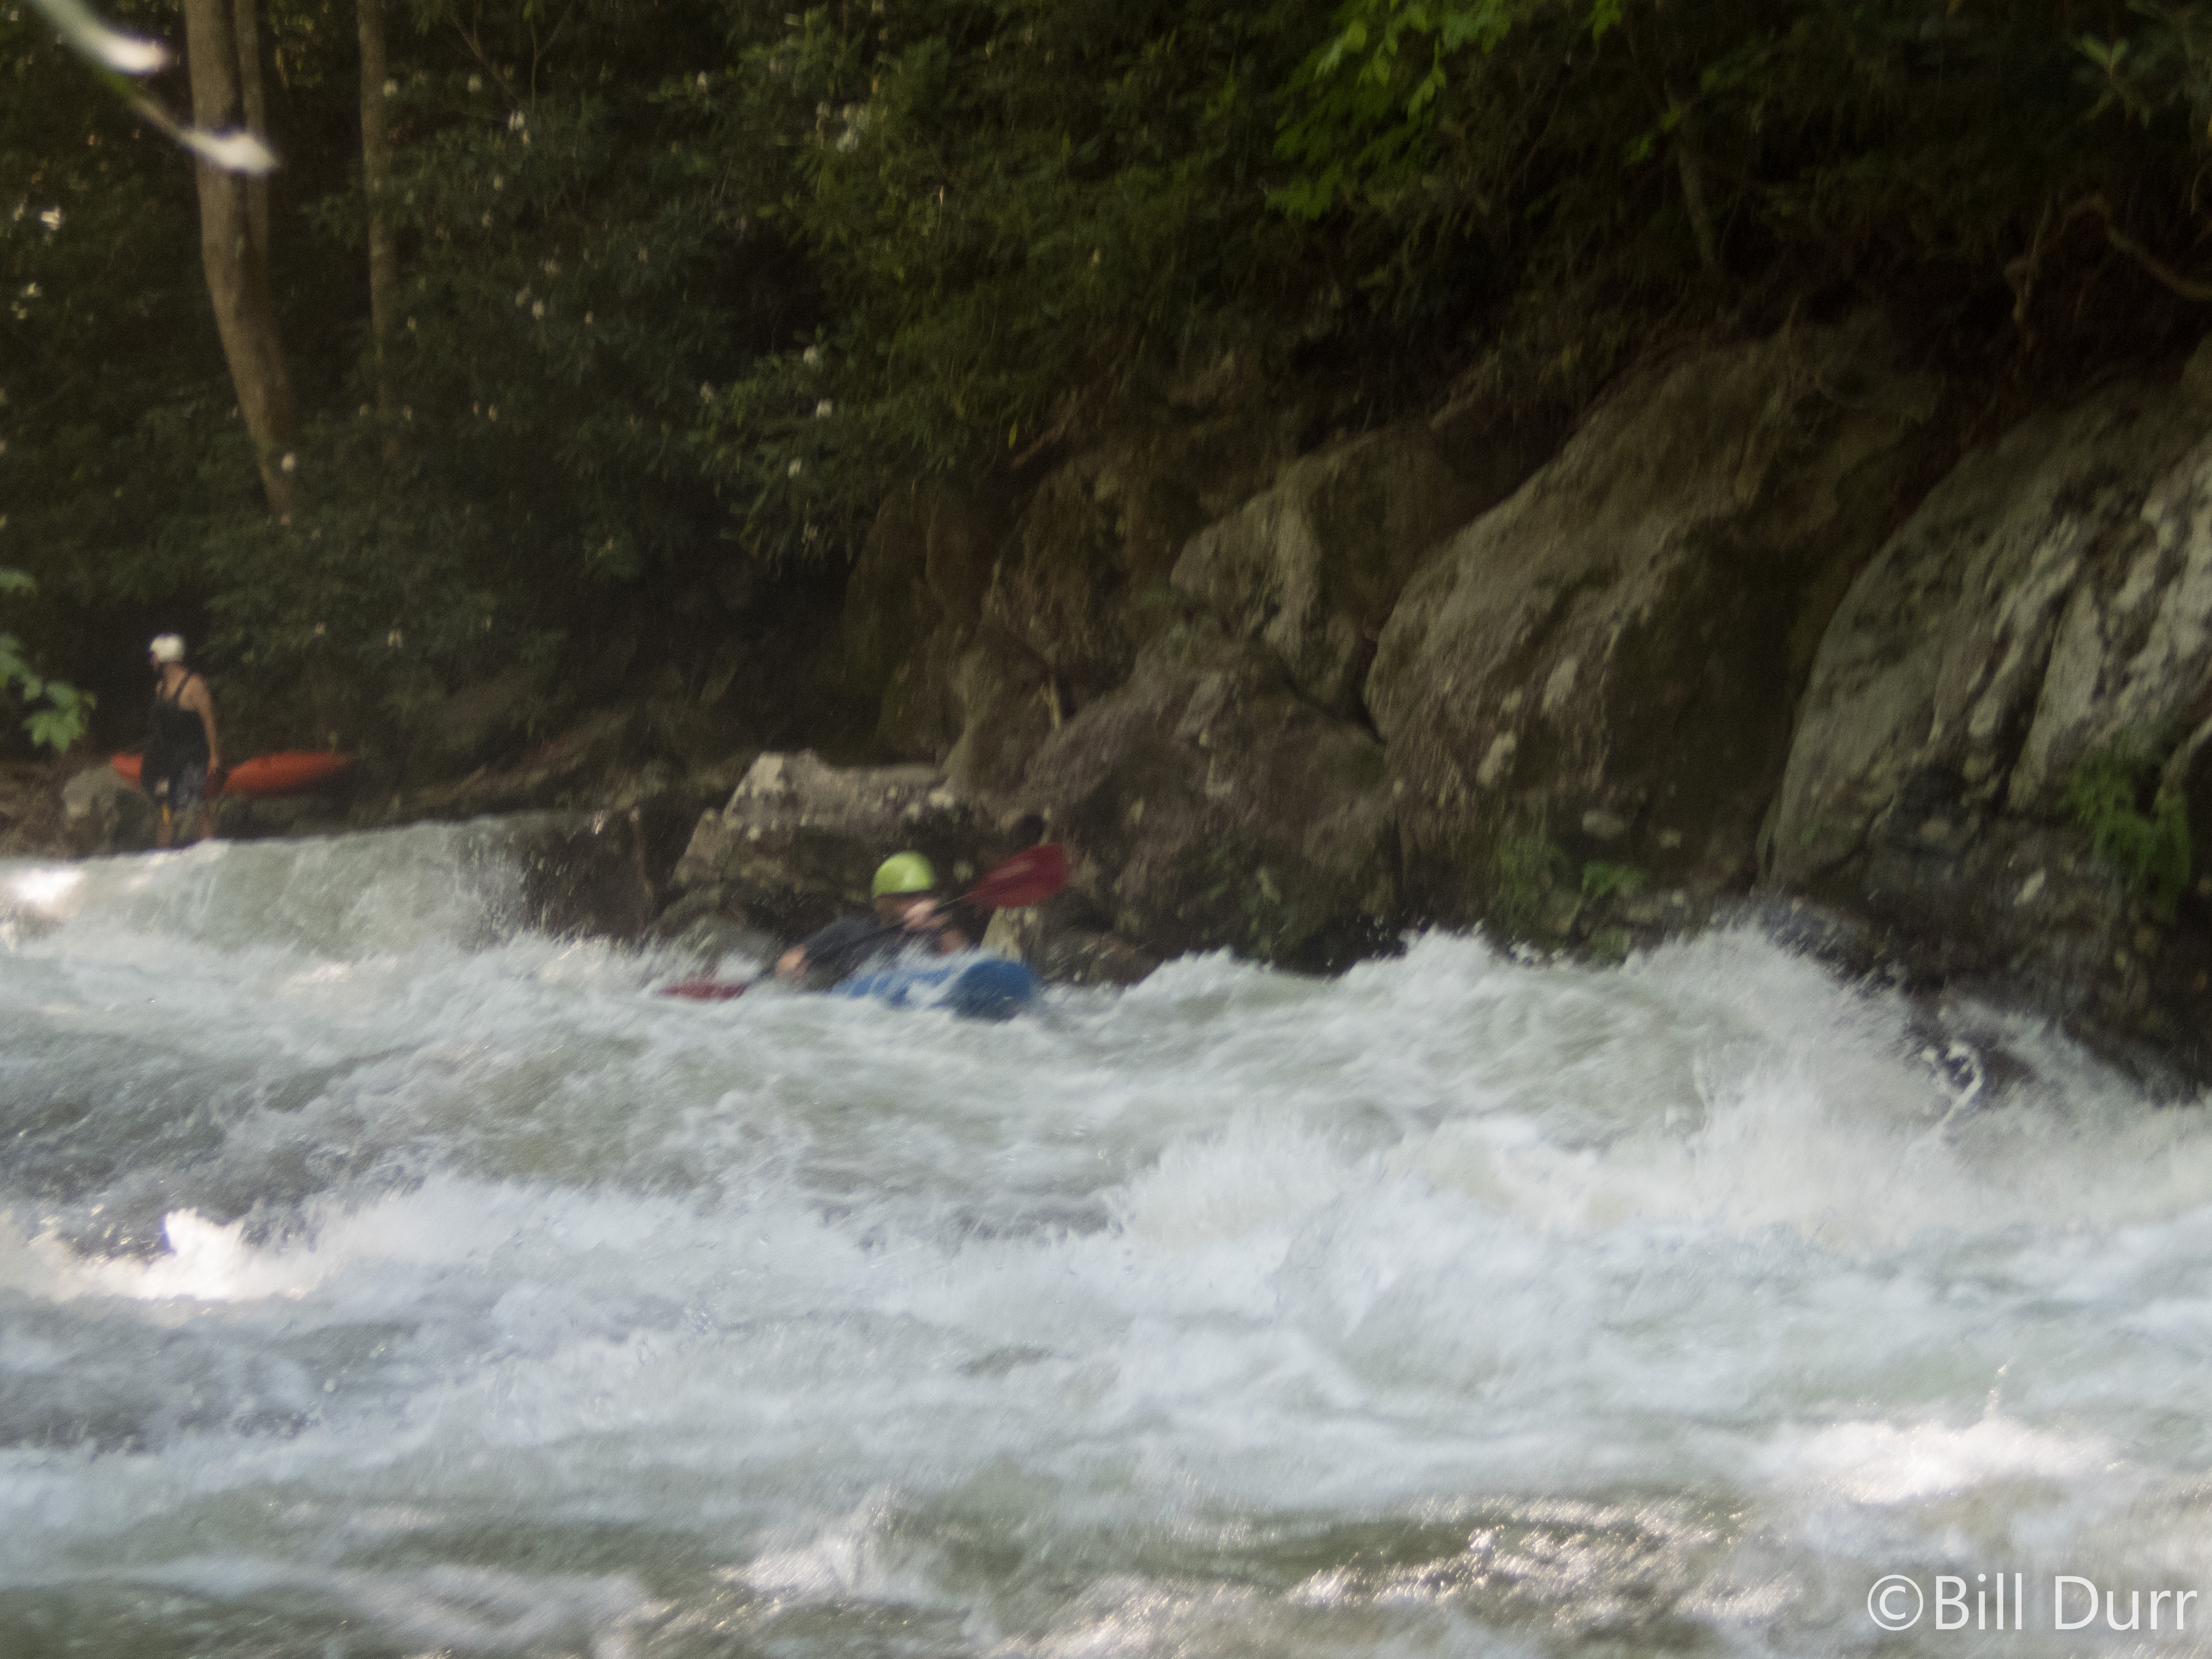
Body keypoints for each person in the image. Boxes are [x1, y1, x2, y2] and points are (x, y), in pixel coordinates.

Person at [775, 852, 972, 986]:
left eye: (923, 896)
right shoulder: (849, 929)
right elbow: (792, 957)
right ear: (881, 902)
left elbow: (962, 962)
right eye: (907, 897)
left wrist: (941, 924)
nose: (917, 904)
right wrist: (792, 964)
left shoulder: (935, 931)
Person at [143, 633, 221, 849]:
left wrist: (214, 756)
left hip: (190, 759)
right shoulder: (160, 687)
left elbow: (209, 721)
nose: (151, 661)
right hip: (165, 761)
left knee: (197, 808)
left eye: (154, 656)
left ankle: (210, 853)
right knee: (165, 809)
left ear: (166, 659)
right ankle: (163, 856)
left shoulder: (194, 685)